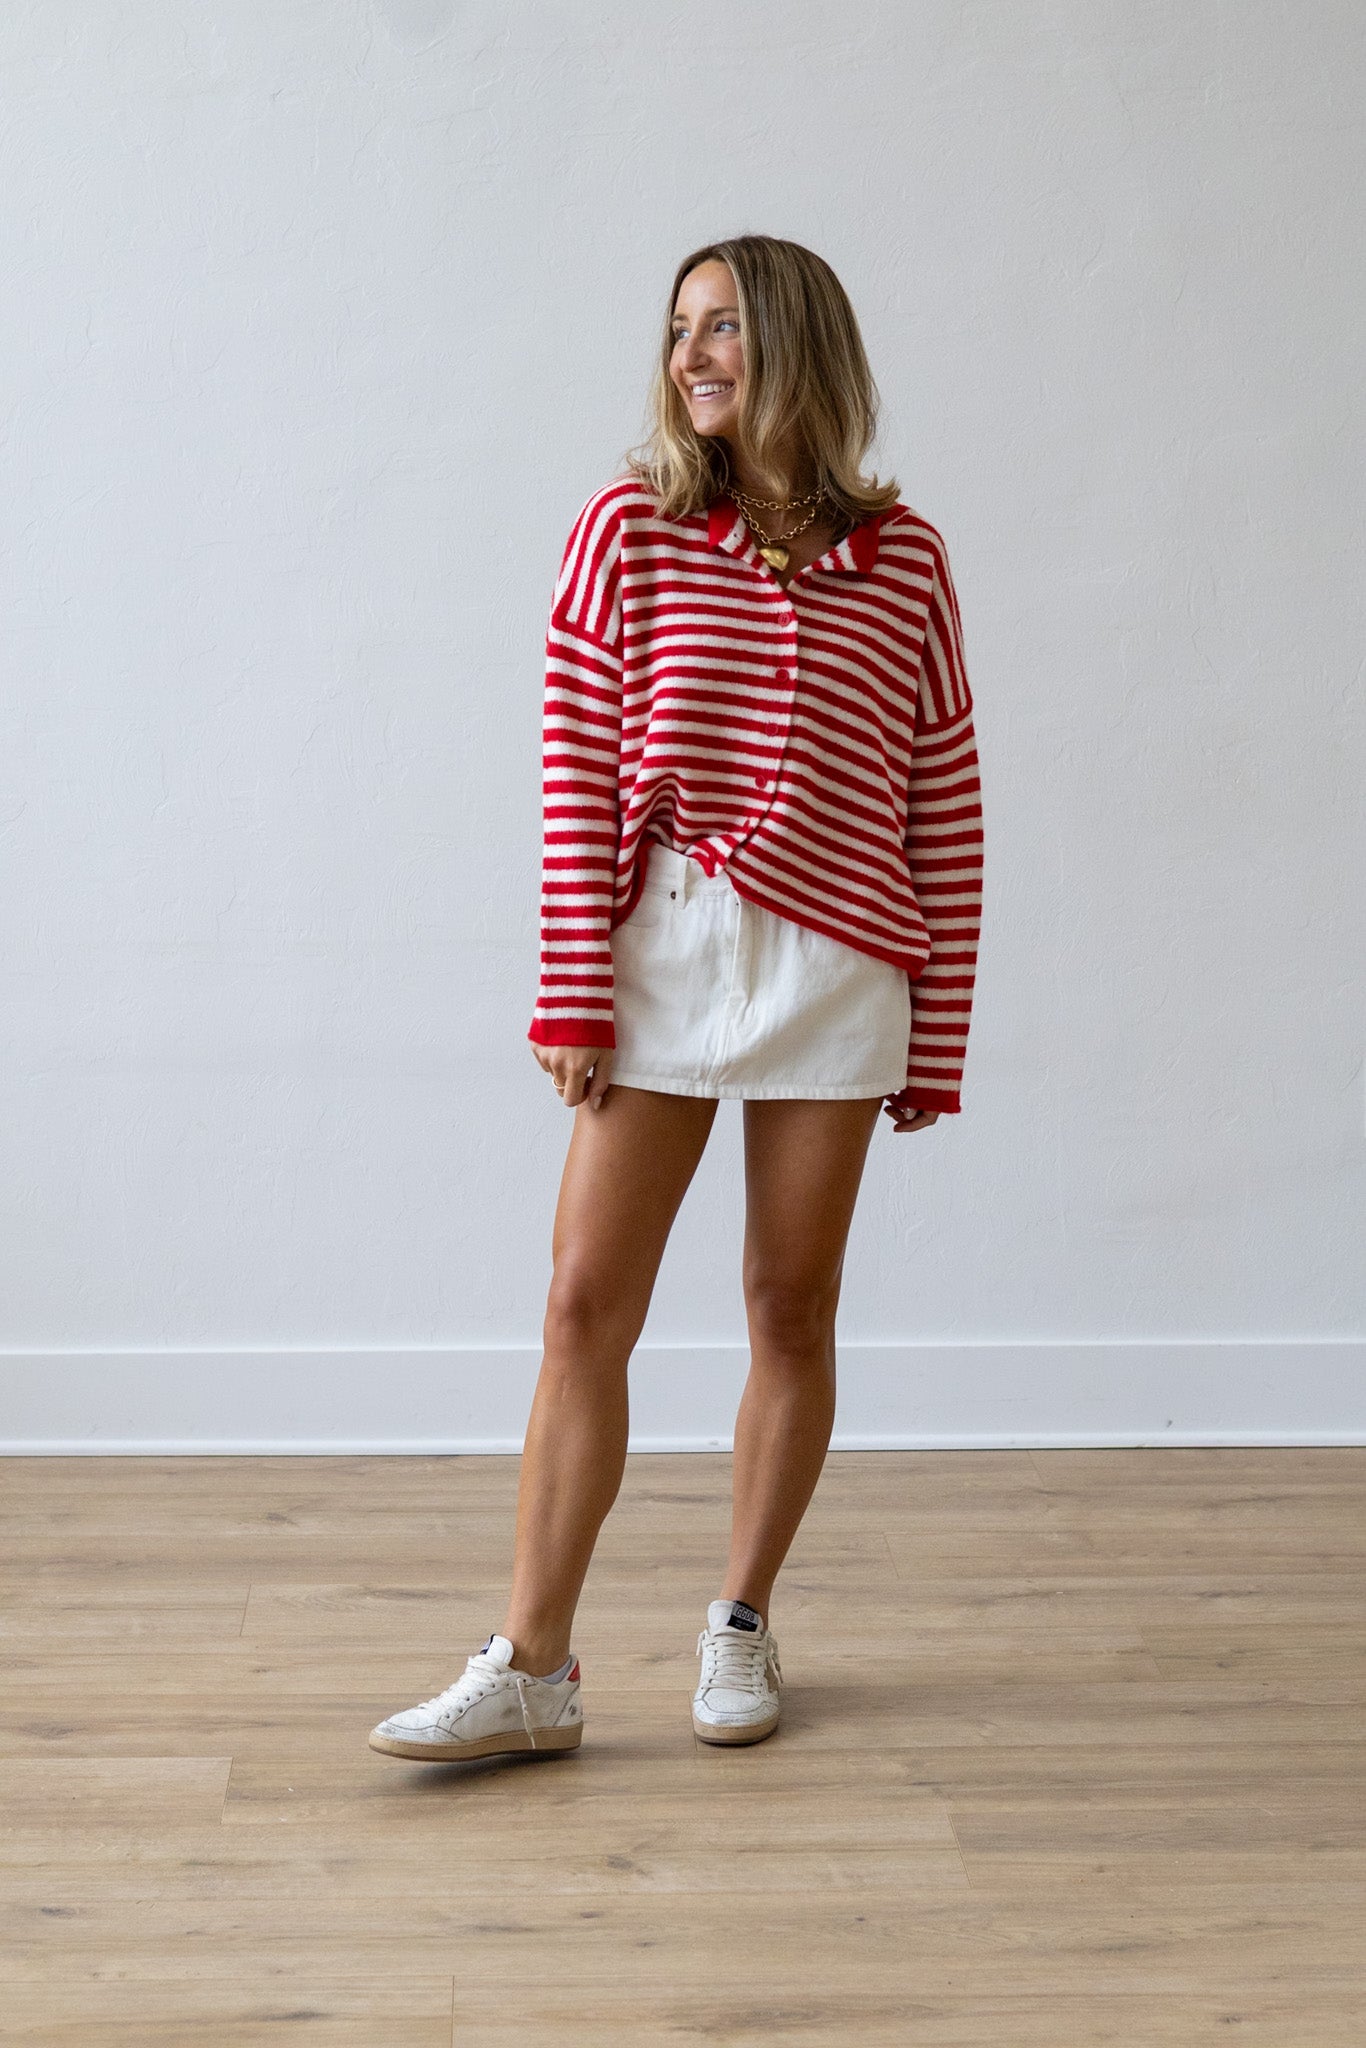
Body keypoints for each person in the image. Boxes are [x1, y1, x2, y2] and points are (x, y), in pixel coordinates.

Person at [369, 234, 983, 1765]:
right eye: (677, 330)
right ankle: (532, 1666)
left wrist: (940, 1025)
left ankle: (740, 1621)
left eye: (724, 327)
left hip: (841, 963)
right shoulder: (628, 531)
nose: (693, 353)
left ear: (797, 348)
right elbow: (576, 772)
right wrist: (571, 988)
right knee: (584, 1303)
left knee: (789, 1303)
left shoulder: (903, 557)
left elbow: (942, 791)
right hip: (661, 947)